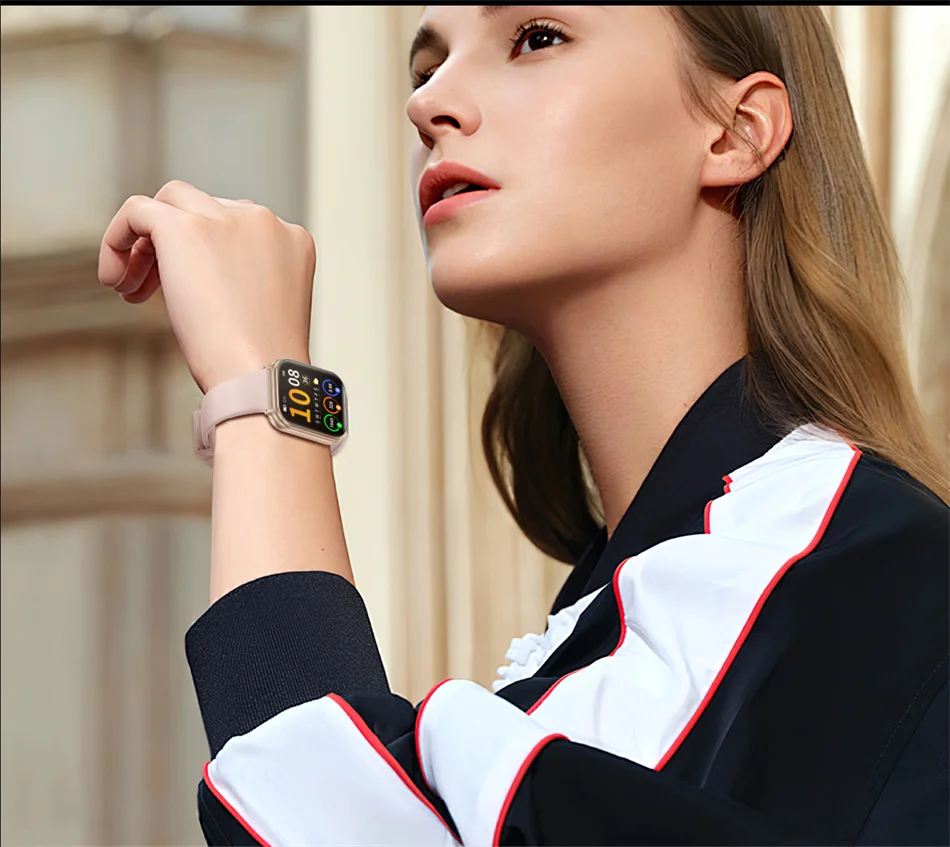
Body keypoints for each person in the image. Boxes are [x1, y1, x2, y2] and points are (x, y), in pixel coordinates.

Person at [98, 6, 948, 845]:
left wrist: (263, 391)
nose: (427, 103)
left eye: (536, 38)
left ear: (736, 131)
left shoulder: (871, 574)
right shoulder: (612, 623)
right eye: (425, 66)